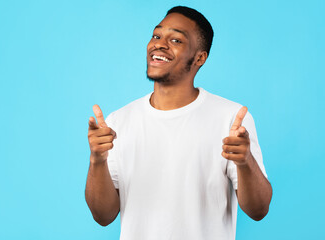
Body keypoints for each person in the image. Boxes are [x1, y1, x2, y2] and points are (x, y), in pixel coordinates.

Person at [85, 6, 272, 240]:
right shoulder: (118, 122)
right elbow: (103, 216)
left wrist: (245, 162)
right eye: (156, 35)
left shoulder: (231, 119)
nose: (159, 44)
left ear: (200, 58)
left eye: (175, 39)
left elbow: (259, 210)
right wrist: (97, 161)